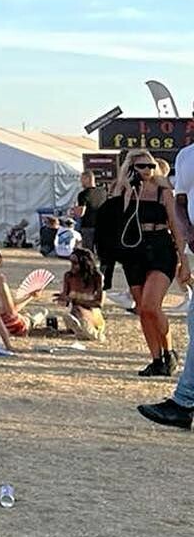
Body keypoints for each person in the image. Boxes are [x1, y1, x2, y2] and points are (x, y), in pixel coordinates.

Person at [97, 149, 180, 378]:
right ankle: (156, 359)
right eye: (141, 166)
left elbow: (176, 226)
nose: (147, 170)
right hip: (134, 251)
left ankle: (169, 351)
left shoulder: (164, 191)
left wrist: (184, 261)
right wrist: (127, 187)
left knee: (152, 305)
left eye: (150, 166)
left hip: (161, 248)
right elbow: (113, 221)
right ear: (131, 168)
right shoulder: (125, 191)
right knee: (142, 309)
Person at [138, 151, 194, 430]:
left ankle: (184, 401)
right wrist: (189, 233)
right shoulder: (186, 156)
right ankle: (184, 401)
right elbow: (182, 203)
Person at [48, 245, 106, 340]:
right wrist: (63, 299)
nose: (72, 266)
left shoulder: (97, 277)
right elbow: (66, 301)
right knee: (72, 313)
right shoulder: (68, 276)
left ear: (84, 263)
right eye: (71, 262)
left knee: (78, 309)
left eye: (75, 263)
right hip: (75, 314)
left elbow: (99, 304)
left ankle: (92, 333)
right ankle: (80, 331)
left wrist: (75, 300)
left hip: (92, 315)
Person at [75, 167, 112, 287]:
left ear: (87, 179)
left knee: (88, 253)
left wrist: (73, 211)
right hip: (103, 226)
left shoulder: (83, 194)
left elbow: (81, 212)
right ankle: (103, 277)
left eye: (82, 179)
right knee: (102, 254)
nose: (81, 182)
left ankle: (89, 276)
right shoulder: (103, 192)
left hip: (88, 226)